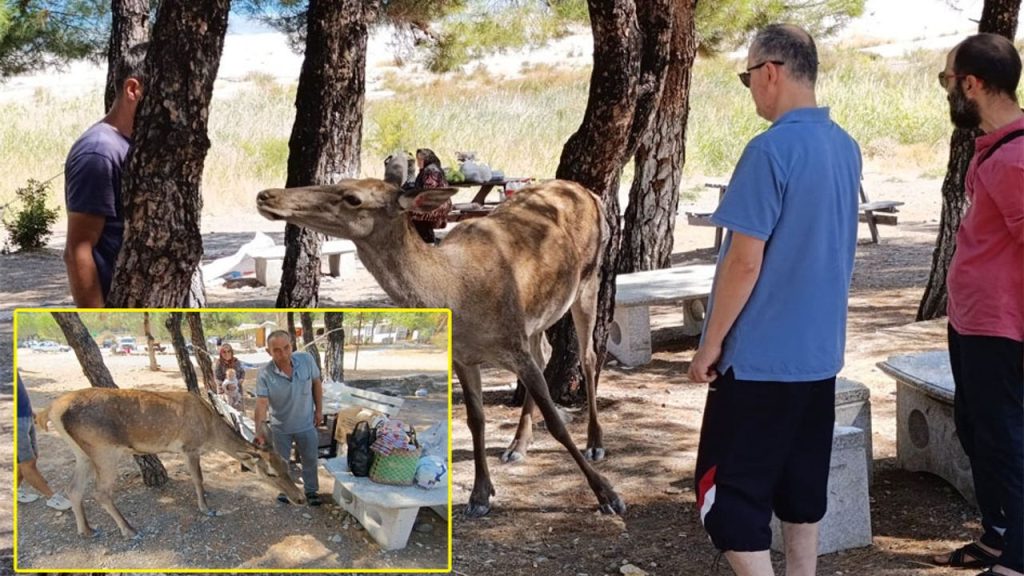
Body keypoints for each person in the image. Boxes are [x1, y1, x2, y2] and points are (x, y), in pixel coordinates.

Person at [688, 24, 861, 576]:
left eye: (747, 77)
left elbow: (744, 261)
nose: (751, 90)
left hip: (760, 360)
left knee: (729, 500)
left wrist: (709, 344)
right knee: (800, 486)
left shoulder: (768, 152)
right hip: (819, 354)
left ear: (770, 72)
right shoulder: (846, 147)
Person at [931, 33, 1023, 576]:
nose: (946, 92)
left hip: (1000, 328)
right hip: (972, 322)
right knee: (977, 431)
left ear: (971, 83)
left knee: (1005, 438)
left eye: (948, 81)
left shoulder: (1014, 160)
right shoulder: (993, 147)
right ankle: (997, 537)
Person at [63, 42, 148, 307]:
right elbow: (78, 251)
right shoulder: (99, 152)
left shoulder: (133, 144)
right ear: (133, 89)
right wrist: (98, 319)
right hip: (116, 302)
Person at [254, 330, 324, 506]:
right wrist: (259, 432)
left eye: (286, 347)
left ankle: (311, 490)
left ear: (292, 345)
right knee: (281, 464)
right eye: (277, 350)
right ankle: (286, 491)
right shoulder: (264, 374)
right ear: (268, 351)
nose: (283, 354)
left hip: (306, 424)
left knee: (309, 459)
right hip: (280, 428)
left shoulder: (307, 360)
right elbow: (262, 404)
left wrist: (319, 411)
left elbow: (316, 383)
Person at [16, 371, 73, 511]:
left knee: (30, 458)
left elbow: (18, 389)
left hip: (24, 416)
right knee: (27, 462)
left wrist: (29, 411)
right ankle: (51, 497)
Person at [408, 148, 452, 244]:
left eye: (420, 159)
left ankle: (425, 239)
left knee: (411, 212)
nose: (418, 162)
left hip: (437, 205)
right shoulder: (430, 168)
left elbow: (429, 191)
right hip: (439, 203)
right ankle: (425, 237)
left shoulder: (430, 170)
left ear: (426, 159)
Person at [214, 343, 246, 409]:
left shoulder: (237, 361)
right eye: (224, 352)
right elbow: (217, 378)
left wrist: (241, 379)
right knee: (227, 412)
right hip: (224, 392)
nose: (227, 353)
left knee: (239, 412)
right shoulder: (218, 363)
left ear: (231, 352)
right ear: (221, 353)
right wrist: (227, 386)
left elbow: (242, 372)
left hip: (237, 391)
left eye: (229, 351)